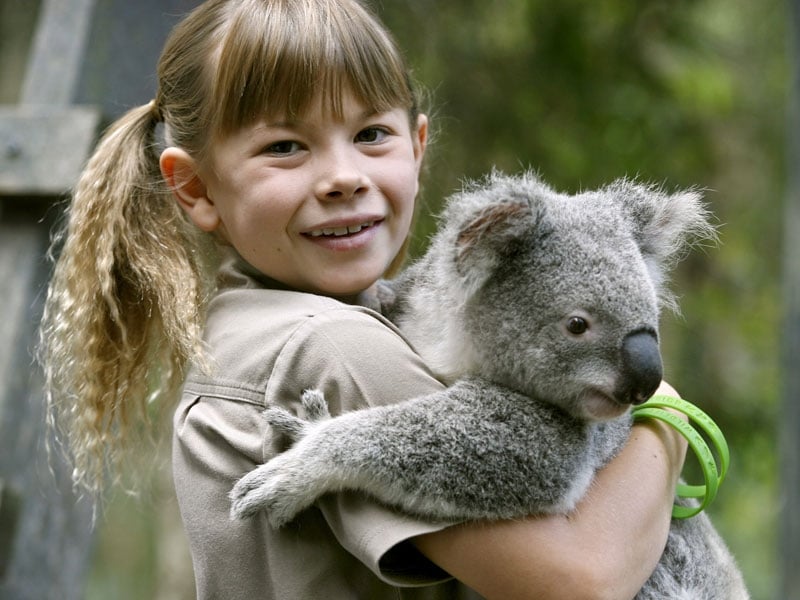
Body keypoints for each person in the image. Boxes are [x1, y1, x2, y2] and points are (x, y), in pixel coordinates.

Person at [38, 0, 687, 598]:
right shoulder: (333, 349)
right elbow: (582, 581)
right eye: (285, 147)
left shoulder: (257, 322)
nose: (344, 178)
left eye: (372, 134)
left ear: (418, 148)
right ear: (198, 189)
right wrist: (673, 421)